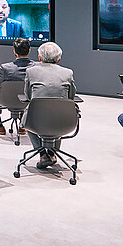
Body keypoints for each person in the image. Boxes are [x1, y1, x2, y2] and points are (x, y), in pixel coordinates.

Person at [23, 41, 79, 169]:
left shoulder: (31, 72)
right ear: (59, 59)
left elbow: (27, 95)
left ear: (39, 57)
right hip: (64, 121)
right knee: (58, 114)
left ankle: (42, 154)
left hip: (36, 120)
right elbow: (71, 97)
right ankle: (53, 154)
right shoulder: (68, 73)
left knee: (27, 119)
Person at [0, 37, 36, 135]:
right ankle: (22, 125)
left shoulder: (5, 67)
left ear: (15, 52)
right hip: (27, 98)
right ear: (29, 50)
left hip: (6, 99)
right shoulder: (36, 67)